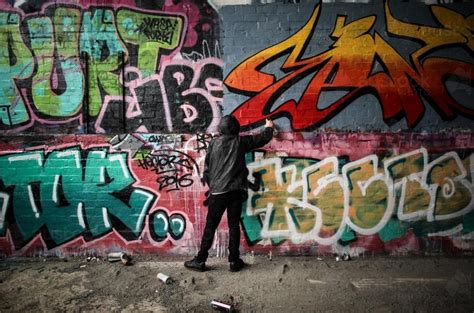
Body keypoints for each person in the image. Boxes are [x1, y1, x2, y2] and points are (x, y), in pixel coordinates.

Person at [184, 115, 274, 272]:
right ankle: (234, 261)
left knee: (210, 226)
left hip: (218, 193)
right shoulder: (240, 142)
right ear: (236, 129)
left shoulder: (213, 143)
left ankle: (200, 260)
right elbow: (261, 139)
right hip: (235, 191)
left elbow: (208, 167)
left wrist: (212, 186)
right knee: (234, 225)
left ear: (221, 129)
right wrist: (269, 126)